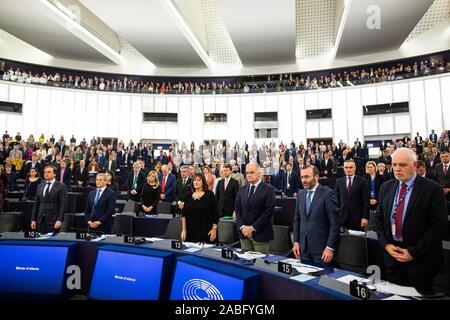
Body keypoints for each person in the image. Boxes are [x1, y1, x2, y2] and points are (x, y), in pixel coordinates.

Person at [374, 148, 448, 294]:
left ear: (414, 165)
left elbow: (439, 227)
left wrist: (413, 252)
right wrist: (387, 245)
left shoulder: (432, 189)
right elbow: (378, 219)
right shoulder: (386, 187)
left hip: (420, 262)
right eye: (394, 165)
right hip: (392, 259)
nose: (397, 169)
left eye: (402, 165)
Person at [292, 165, 339, 265]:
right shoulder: (300, 194)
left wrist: (329, 247)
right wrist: (296, 242)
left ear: (316, 177)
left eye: (307, 177)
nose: (304, 180)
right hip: (303, 249)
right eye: (302, 177)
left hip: (322, 251)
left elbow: (334, 224)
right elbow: (297, 220)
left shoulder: (328, 194)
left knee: (321, 280)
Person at [235, 163, 275, 254]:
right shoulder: (242, 189)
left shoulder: (269, 189)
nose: (249, 175)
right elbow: (237, 209)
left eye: (252, 172)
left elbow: (268, 213)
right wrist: (243, 227)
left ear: (259, 173)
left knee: (260, 265)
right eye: (247, 172)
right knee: (245, 263)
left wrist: (252, 228)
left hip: (260, 234)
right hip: (244, 234)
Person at [181, 173, 218, 243]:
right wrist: (184, 230)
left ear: (203, 182)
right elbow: (184, 215)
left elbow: (215, 213)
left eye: (198, 180)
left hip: (207, 231)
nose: (196, 182)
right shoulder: (188, 195)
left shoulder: (209, 194)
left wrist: (214, 229)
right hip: (191, 232)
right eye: (194, 180)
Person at [31, 165, 67, 234]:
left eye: (49, 172)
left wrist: (60, 220)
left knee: (52, 242)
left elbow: (63, 205)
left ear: (54, 174)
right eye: (45, 172)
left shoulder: (61, 186)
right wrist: (33, 219)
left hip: (54, 221)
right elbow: (36, 204)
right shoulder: (40, 185)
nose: (46, 174)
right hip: (40, 220)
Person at [335, 159, 370, 231]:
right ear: (343, 169)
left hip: (357, 218)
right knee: (342, 241)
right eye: (346, 167)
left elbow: (366, 201)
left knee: (357, 241)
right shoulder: (339, 181)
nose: (348, 169)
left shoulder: (362, 181)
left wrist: (365, 217)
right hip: (342, 218)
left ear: (355, 168)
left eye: (350, 167)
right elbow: (337, 200)